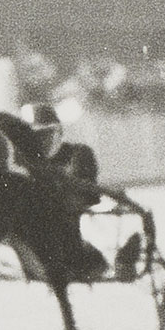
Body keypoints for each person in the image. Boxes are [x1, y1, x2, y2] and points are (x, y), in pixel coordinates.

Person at [17, 103, 142, 282]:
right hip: (47, 234)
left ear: (58, 132)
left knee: (121, 214)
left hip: (81, 219)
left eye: (47, 135)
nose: (42, 142)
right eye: (35, 138)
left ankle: (122, 260)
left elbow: (77, 191)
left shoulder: (78, 153)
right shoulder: (24, 164)